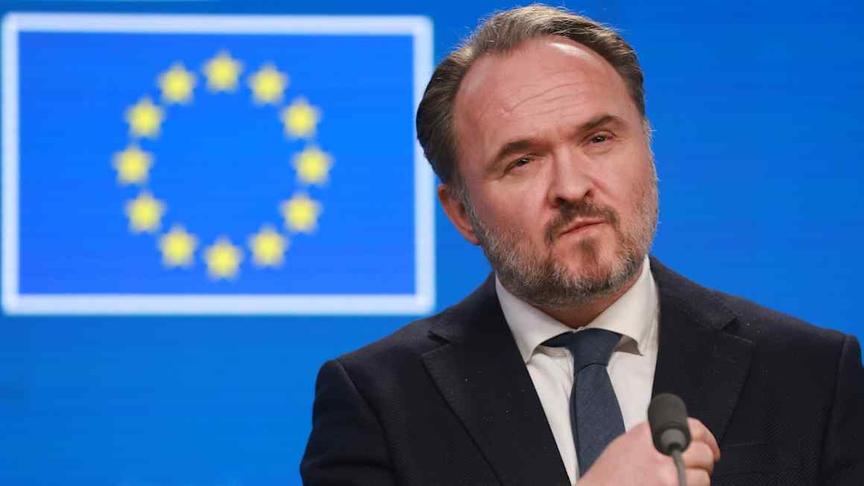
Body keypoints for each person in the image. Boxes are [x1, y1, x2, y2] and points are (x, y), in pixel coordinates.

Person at [301, 5, 864, 485]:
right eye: (522, 161)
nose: (571, 188)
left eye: (598, 138)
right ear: (462, 213)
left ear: (647, 148)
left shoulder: (810, 374)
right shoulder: (379, 401)